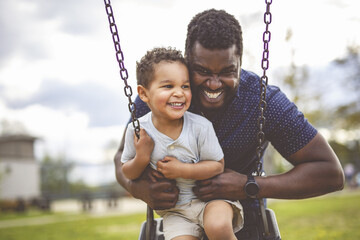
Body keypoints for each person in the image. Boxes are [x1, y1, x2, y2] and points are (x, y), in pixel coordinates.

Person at [114, 9, 344, 238]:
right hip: (179, 216)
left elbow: (330, 173)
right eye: (202, 71)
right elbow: (122, 157)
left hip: (243, 220)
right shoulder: (161, 98)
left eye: (227, 72)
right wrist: (138, 188)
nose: (214, 84)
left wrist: (249, 185)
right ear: (187, 60)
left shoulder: (263, 101)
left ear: (240, 63)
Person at [121, 47, 243, 240]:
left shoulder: (200, 127)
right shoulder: (138, 131)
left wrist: (182, 170)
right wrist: (141, 157)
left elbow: (217, 165)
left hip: (212, 201)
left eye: (185, 86)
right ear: (144, 94)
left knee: (217, 227)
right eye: (168, 86)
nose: (179, 93)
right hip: (175, 212)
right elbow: (127, 172)